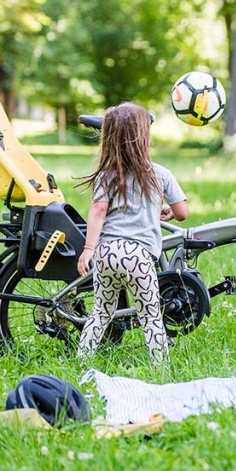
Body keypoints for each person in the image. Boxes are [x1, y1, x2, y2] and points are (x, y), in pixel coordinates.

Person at [76, 103, 189, 361]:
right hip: (138, 257)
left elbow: (98, 211)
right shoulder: (160, 174)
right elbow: (182, 212)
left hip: (106, 254)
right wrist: (169, 211)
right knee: (151, 317)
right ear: (143, 136)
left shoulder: (107, 175)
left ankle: (82, 361)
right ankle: (160, 368)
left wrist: (89, 249)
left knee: (101, 312)